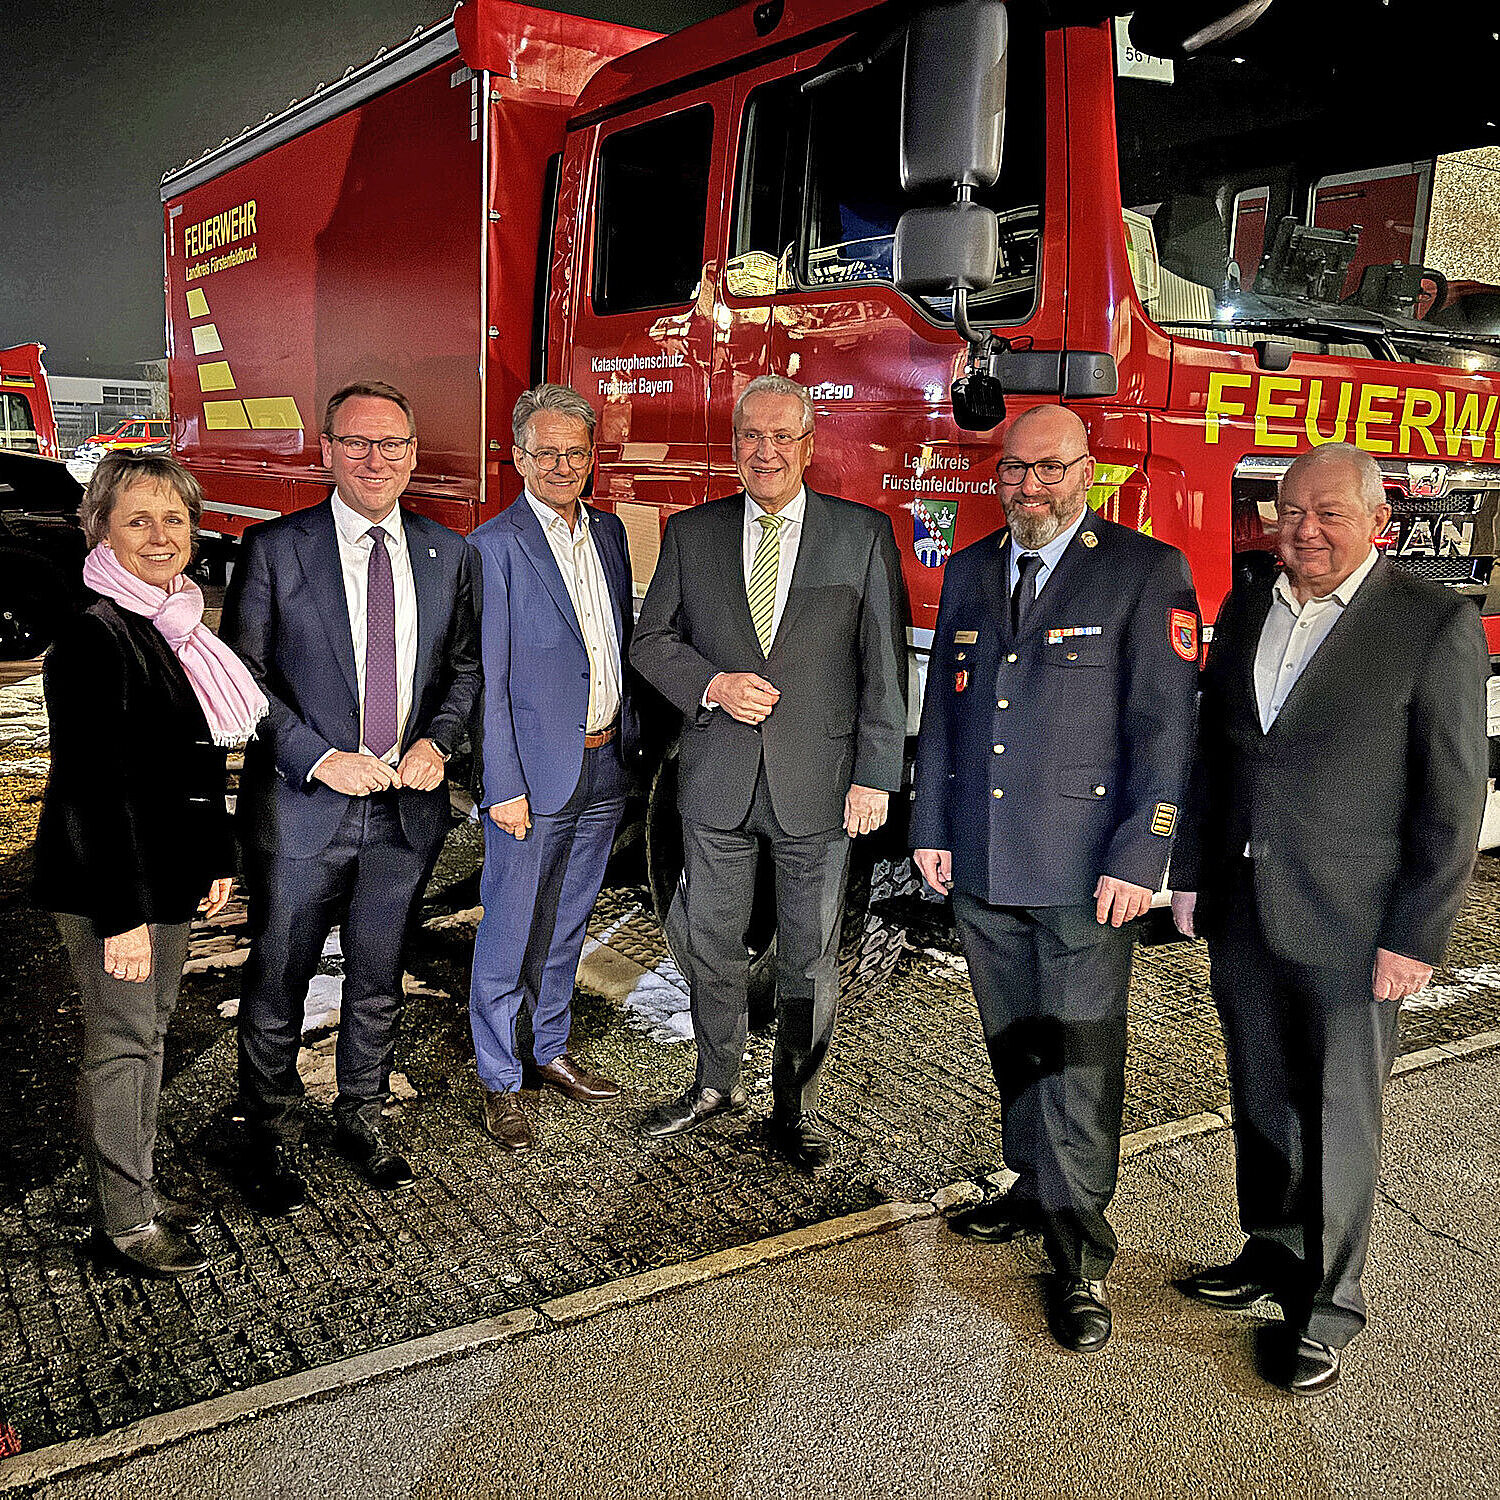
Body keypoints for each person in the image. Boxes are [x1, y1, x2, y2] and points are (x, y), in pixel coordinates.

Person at [1169, 441, 1487, 1396]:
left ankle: (1329, 1304)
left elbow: (1453, 799)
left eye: (1328, 515)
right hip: (1243, 904)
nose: (1303, 530)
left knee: (1340, 1113)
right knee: (1261, 1090)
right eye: (1287, 511)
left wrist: (1416, 935)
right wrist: (1189, 871)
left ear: (1377, 520)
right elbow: (1217, 756)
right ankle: (1269, 1248)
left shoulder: (1433, 625)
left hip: (1356, 924)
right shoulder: (1247, 603)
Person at [910, 404, 1201, 1353]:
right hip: (985, 860)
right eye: (1013, 473)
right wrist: (931, 828)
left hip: (1086, 875)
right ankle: (1031, 1188)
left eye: (1049, 471)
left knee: (1079, 1067)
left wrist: (1141, 855)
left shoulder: (1143, 569)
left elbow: (1166, 733)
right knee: (1018, 1044)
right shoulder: (969, 567)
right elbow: (948, 719)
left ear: (1088, 470)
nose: (1029, 488)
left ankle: (1080, 1263)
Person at [630, 374, 907, 1169]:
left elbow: (884, 670)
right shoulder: (692, 534)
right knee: (710, 945)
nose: (768, 451)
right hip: (717, 779)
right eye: (753, 436)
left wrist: (876, 776)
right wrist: (711, 685)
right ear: (734, 446)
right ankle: (715, 1083)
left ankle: (795, 1107)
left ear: (810, 447)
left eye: (784, 437)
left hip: (819, 786)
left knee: (810, 958)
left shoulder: (860, 535)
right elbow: (652, 643)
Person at [223, 380, 481, 1212]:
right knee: (279, 976)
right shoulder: (274, 550)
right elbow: (245, 681)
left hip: (403, 814)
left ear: (413, 454)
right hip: (304, 809)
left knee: (379, 975)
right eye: (359, 444)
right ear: (327, 452)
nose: (377, 460)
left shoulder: (450, 553)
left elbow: (464, 670)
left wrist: (440, 743)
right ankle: (262, 1127)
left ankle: (360, 1112)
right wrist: (318, 757)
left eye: (394, 445)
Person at [34, 452, 266, 1276]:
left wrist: (214, 859)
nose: (161, 536)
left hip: (161, 872)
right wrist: (123, 917)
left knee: (151, 1031)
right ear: (100, 529)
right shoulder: (96, 637)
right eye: (138, 520)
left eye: (174, 518)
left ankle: (136, 1186)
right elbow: (94, 791)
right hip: (114, 884)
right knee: (125, 1044)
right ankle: (127, 1220)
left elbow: (189, 769)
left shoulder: (170, 622)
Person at [465, 385, 635, 1150]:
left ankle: (550, 1050)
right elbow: (486, 679)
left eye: (576, 451)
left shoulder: (609, 535)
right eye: (547, 452)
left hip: (603, 765)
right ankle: (500, 1080)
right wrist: (500, 784)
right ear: (519, 458)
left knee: (567, 926)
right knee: (507, 930)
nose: (563, 465)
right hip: (531, 779)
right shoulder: (492, 547)